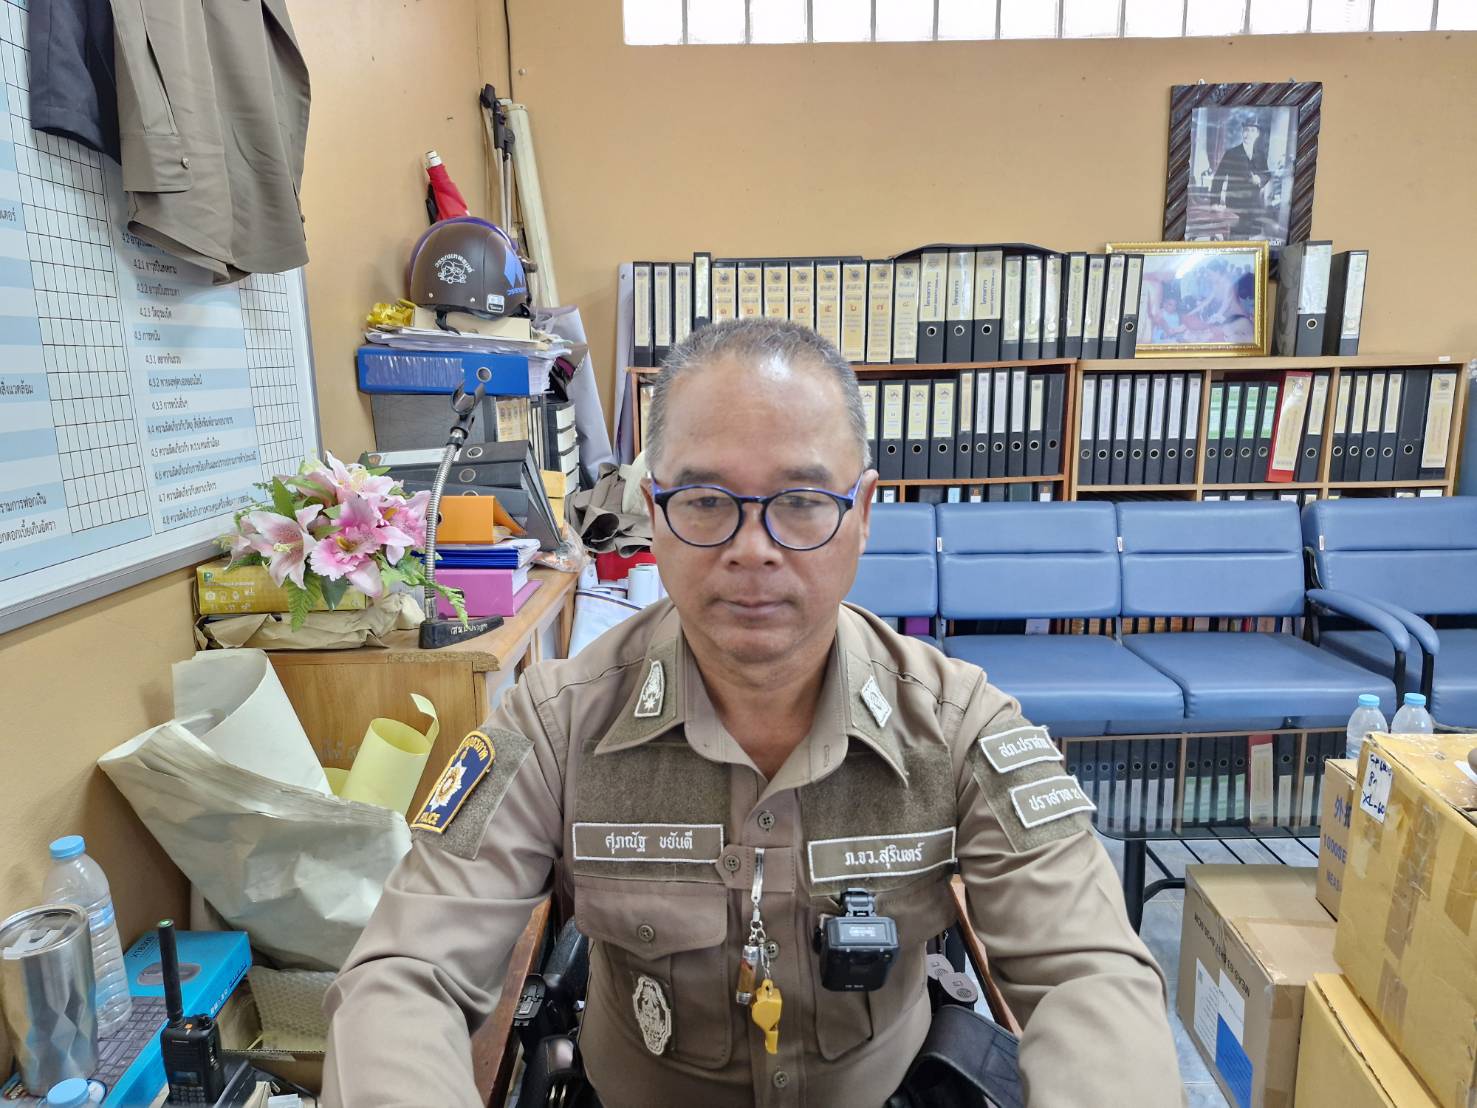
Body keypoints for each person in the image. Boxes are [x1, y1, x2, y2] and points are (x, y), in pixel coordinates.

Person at [322, 318, 1183, 1107]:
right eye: (705, 502)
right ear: (652, 515)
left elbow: (1088, 975)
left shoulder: (959, 725)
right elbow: (404, 976)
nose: (752, 549)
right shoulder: (553, 725)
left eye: (801, 502)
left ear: (862, 514)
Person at [1211, 113, 1270, 238]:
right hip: (1235, 205)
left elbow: (1267, 174)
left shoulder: (1260, 155)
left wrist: (1259, 179)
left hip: (1253, 205)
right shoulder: (1231, 153)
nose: (1248, 134)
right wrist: (1214, 202)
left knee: (1248, 238)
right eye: (1246, 130)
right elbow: (1218, 178)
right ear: (1242, 132)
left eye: (1252, 130)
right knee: (1235, 238)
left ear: (1257, 134)